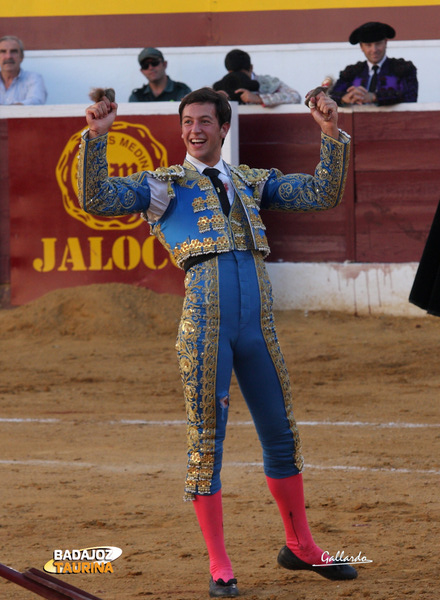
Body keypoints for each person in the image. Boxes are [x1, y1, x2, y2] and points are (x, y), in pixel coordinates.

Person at [78, 86, 357, 597]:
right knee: (207, 443)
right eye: (187, 122)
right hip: (205, 326)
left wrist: (330, 133)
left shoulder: (250, 180)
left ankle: (300, 545)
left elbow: (321, 194)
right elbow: (97, 198)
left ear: (223, 128)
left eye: (205, 121)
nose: (195, 130)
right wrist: (96, 138)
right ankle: (220, 563)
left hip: (258, 326)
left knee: (282, 434)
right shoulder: (164, 185)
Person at [330, 22, 418, 106]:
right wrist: (344, 98)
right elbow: (331, 96)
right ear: (361, 47)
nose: (374, 50)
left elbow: (410, 96)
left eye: (378, 44)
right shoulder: (352, 72)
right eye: (368, 45)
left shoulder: (403, 68)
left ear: (385, 43)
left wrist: (374, 97)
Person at [217, 48, 301, 107]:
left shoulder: (267, 82)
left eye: (242, 75)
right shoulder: (222, 84)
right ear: (228, 72)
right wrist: (215, 99)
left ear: (251, 68)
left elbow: (295, 96)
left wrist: (260, 99)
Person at [0, 35, 47, 105]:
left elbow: (36, 101)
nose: (8, 56)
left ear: (22, 57)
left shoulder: (34, 78)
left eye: (13, 51)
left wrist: (9, 109)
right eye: (3, 52)